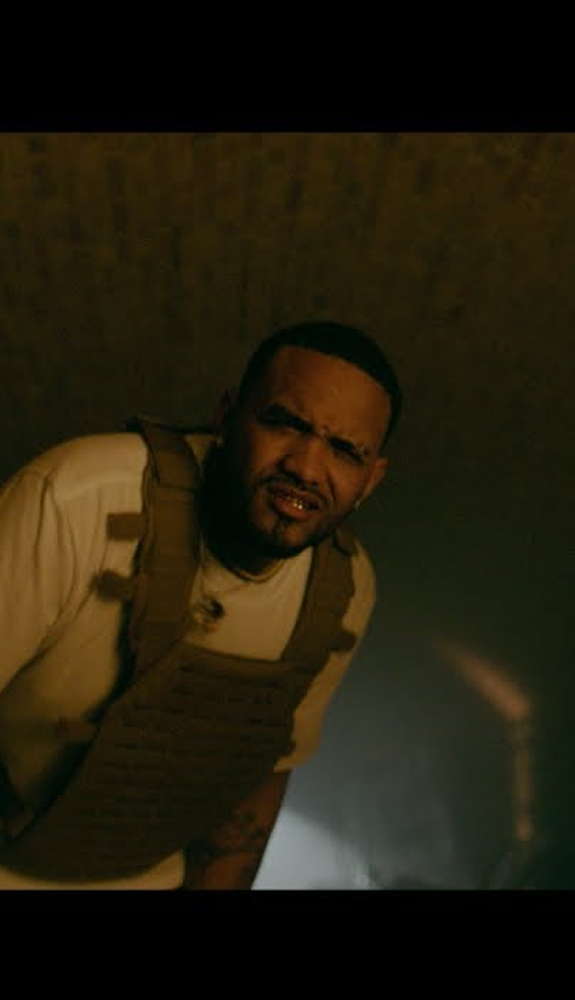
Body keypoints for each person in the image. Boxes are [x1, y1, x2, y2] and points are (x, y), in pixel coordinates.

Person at [0, 320, 400, 889]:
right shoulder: (74, 499)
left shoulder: (345, 589)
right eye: (285, 423)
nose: (306, 468)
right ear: (227, 418)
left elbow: (264, 770)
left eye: (344, 450)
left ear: (371, 479)